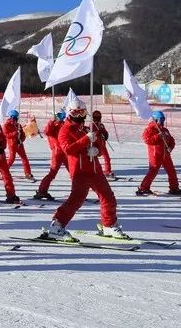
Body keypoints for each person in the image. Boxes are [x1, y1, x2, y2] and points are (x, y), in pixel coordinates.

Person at [40, 96, 127, 241]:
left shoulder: (86, 128)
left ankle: (109, 225)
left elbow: (98, 144)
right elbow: (68, 149)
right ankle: (57, 225)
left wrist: (96, 150)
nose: (80, 116)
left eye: (82, 113)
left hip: (95, 170)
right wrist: (86, 139)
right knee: (76, 199)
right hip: (80, 171)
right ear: (70, 113)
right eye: (76, 113)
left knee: (108, 197)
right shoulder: (65, 130)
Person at [136, 111, 181, 197]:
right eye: (160, 120)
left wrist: (170, 147)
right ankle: (143, 188)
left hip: (166, 155)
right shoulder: (150, 129)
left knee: (171, 171)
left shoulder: (165, 130)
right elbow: (147, 140)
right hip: (155, 154)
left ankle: (174, 188)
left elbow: (171, 140)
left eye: (163, 120)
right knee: (153, 171)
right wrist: (158, 136)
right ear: (155, 119)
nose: (162, 122)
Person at [34, 111, 66, 201]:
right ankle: (42, 191)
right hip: (57, 152)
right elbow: (47, 131)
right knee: (52, 173)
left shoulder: (64, 124)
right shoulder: (53, 126)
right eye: (60, 116)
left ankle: (78, 191)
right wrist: (51, 121)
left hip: (66, 151)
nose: (61, 117)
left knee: (74, 172)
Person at [3, 110, 35, 181]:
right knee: (11, 158)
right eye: (15, 117)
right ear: (11, 117)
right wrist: (15, 133)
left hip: (19, 144)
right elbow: (6, 135)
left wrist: (22, 138)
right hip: (12, 144)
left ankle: (28, 173)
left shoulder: (18, 125)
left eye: (17, 117)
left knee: (24, 158)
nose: (16, 118)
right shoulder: (6, 125)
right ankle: (3, 172)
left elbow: (23, 134)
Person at [90, 110, 117, 181]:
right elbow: (92, 134)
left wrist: (105, 134)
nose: (97, 118)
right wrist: (99, 133)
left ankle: (107, 171)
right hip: (95, 145)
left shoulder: (101, 125)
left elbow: (104, 131)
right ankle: (93, 171)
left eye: (98, 117)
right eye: (96, 117)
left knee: (107, 158)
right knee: (93, 159)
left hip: (102, 144)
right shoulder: (92, 125)